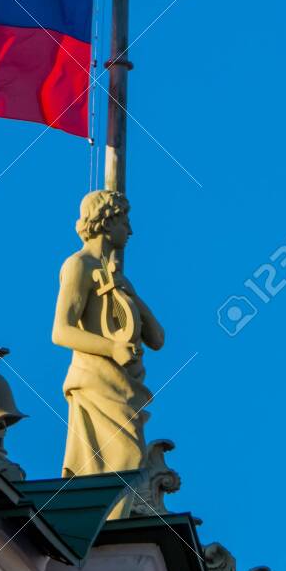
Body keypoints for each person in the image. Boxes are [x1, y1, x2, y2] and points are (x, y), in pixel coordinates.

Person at [52, 190, 165, 477]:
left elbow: (157, 339)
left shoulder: (120, 278)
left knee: (129, 460)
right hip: (96, 380)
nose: (130, 230)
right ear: (106, 221)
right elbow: (61, 331)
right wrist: (112, 348)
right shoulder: (78, 265)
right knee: (125, 457)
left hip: (125, 385)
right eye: (124, 221)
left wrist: (131, 296)